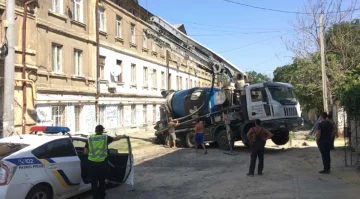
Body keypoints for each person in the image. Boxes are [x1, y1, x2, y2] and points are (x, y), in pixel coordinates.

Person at [84, 125, 126, 199]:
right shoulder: (105, 138)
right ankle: (102, 196)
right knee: (102, 181)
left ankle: (95, 196)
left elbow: (85, 152)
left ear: (95, 131)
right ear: (102, 131)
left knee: (94, 182)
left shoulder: (90, 139)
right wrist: (123, 136)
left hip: (92, 164)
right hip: (102, 163)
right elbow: (116, 138)